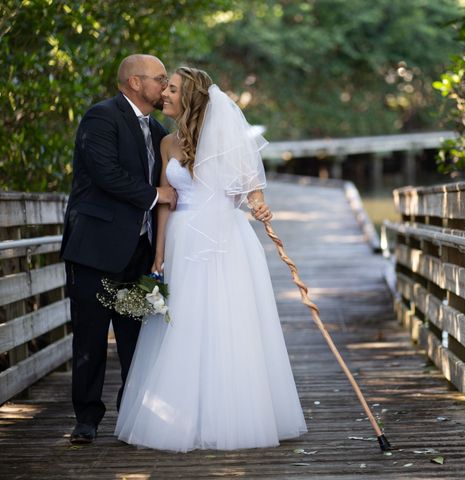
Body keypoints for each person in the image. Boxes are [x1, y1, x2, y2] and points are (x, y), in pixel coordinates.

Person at [114, 67, 307, 452]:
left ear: (190, 98)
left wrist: (260, 207)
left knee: (226, 321)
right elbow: (166, 203)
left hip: (225, 240)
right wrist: (159, 253)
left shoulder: (227, 140)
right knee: (181, 324)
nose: (164, 94)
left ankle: (230, 415)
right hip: (183, 241)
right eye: (164, 87)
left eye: (171, 89)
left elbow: (251, 189)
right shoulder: (167, 143)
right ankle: (181, 417)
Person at [61, 54, 178, 444]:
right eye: (160, 79)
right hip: (95, 249)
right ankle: (87, 419)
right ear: (134, 82)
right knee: (91, 337)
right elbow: (105, 173)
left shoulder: (159, 130)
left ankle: (132, 415)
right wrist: (155, 194)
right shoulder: (101, 117)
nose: (164, 86)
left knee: (135, 338)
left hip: (139, 253)